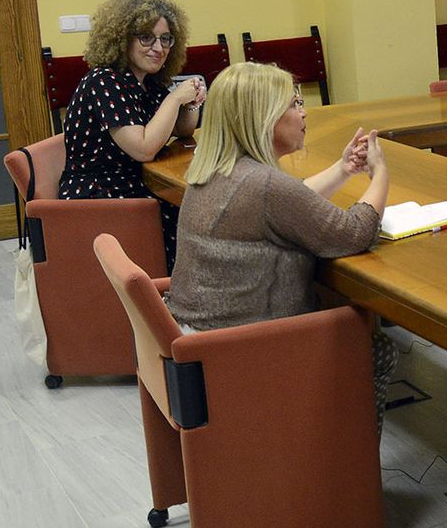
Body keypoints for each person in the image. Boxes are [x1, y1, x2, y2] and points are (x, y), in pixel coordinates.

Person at [166, 62, 397, 432]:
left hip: (196, 342)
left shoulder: (212, 171)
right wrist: (381, 173)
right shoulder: (266, 186)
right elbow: (354, 232)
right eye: (293, 104)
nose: (303, 113)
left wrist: (342, 170)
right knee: (376, 348)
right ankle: (348, 474)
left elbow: (292, 202)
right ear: (263, 118)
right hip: (244, 351)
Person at [58, 0, 204, 269]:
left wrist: (191, 102)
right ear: (122, 39)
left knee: (201, 210)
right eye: (146, 38)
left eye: (165, 38)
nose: (158, 47)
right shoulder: (104, 81)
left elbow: (182, 130)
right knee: (198, 215)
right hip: (100, 197)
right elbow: (144, 148)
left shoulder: (145, 83)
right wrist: (175, 99)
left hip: (134, 185)